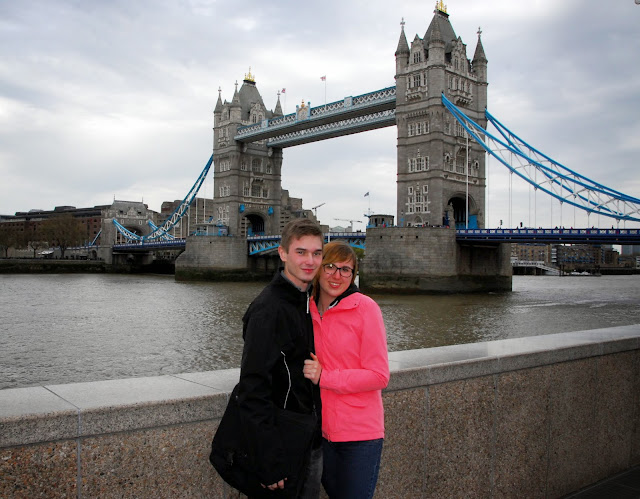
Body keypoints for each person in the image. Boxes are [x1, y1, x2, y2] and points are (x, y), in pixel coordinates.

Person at [237, 218, 324, 497]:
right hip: (283, 447)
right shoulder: (268, 310)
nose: (310, 261)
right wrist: (269, 460)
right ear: (283, 253)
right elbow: (252, 389)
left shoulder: (305, 301)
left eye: (317, 253)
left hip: (308, 439)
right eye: (301, 252)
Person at [303, 241, 390, 499]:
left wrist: (325, 377)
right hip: (320, 433)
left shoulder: (365, 308)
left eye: (345, 270)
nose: (336, 275)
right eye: (330, 266)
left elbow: (379, 375)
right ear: (319, 268)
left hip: (360, 435)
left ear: (353, 275)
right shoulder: (305, 309)